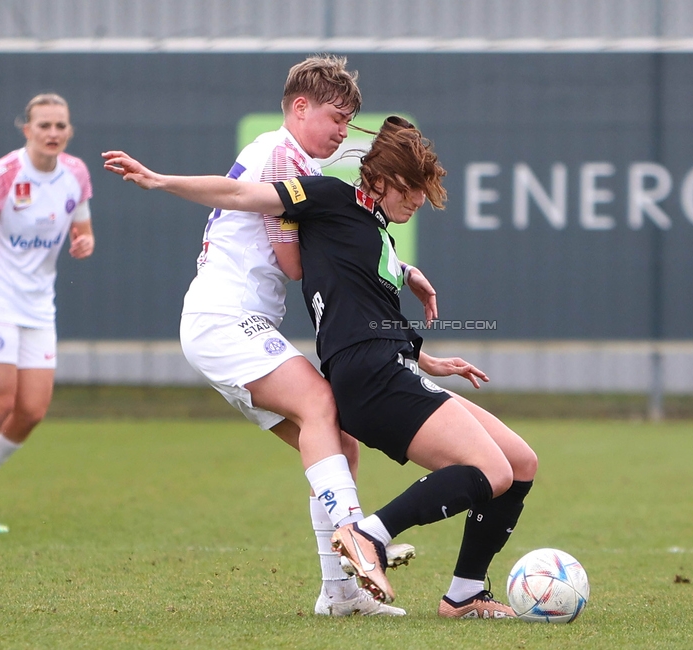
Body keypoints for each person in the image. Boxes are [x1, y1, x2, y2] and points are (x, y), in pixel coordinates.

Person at [103, 115, 539, 619]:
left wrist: (426, 351)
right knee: (491, 471)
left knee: (520, 462)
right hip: (371, 377)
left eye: (425, 190)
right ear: (377, 179)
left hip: (390, 365)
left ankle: (463, 593)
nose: (419, 200)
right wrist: (160, 179)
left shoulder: (374, 231)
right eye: (411, 187)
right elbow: (243, 195)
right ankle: (366, 534)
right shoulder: (331, 195)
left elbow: (363, 308)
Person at [165, 55, 436, 617]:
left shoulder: (280, 157)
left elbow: (334, 244)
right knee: (319, 403)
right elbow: (294, 263)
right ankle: (357, 536)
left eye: (349, 121)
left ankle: (339, 594)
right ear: (300, 107)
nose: (342, 132)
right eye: (337, 118)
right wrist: (160, 180)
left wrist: (402, 270)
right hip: (225, 316)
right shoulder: (284, 155)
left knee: (338, 440)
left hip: (230, 322)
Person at [0, 93, 96, 533]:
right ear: (27, 129)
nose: (53, 133)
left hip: (37, 304)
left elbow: (82, 227)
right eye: (44, 125)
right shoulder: (5, 174)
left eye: (60, 126)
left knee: (31, 409)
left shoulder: (77, 173)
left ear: (69, 131)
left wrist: (83, 242)